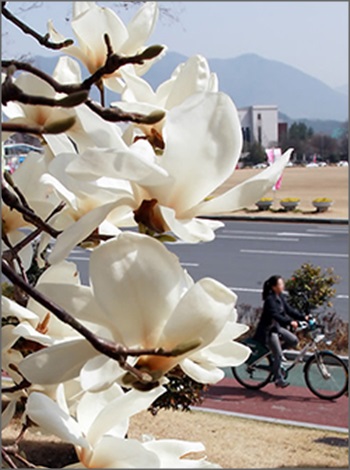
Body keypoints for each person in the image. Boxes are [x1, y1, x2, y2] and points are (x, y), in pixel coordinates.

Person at [254, 275, 307, 388]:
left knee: (293, 341)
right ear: (274, 287)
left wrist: (303, 317)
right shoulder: (270, 300)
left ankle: (275, 353)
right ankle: (278, 379)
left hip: (276, 328)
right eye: (280, 284)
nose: (283, 286)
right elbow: (276, 315)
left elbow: (289, 310)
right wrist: (290, 322)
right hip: (268, 331)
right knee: (278, 354)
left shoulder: (280, 296)